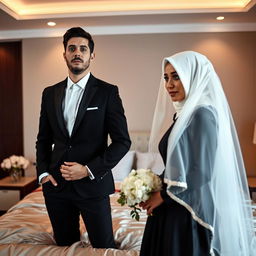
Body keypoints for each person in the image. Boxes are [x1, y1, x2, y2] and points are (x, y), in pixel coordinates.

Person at [140, 51, 255, 255]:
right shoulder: (185, 114)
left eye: (176, 76)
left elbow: (202, 172)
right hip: (176, 202)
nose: (169, 85)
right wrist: (152, 185)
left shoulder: (203, 114)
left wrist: (163, 196)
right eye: (166, 78)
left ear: (193, 76)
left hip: (190, 208)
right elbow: (177, 166)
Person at [36, 27, 131, 248]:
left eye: (83, 48)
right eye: (72, 48)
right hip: (56, 187)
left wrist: (88, 169)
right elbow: (43, 139)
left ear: (91, 55)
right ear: (64, 55)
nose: (77, 52)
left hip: (93, 186)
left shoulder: (108, 92)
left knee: (103, 246)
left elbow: (122, 142)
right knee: (65, 247)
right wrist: (42, 173)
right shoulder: (49, 93)